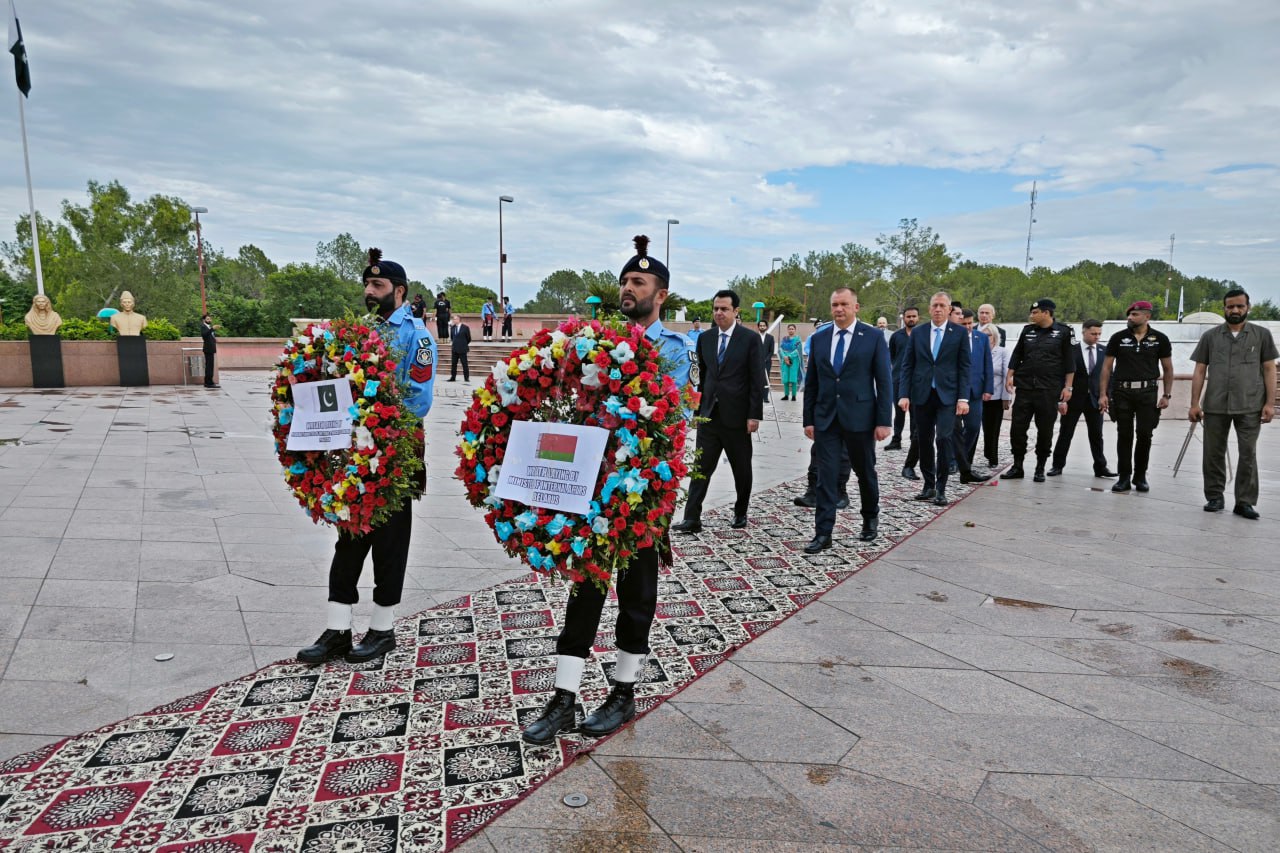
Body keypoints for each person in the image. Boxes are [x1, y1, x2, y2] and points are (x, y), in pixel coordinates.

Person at [521, 234, 693, 746]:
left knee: (637, 590)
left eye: (638, 282)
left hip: (644, 488)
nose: (628, 288)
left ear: (660, 294)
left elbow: (673, 416)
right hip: (593, 484)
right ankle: (564, 697)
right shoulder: (596, 343)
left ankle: (623, 691)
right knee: (586, 585)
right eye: (623, 280)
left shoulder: (675, 350)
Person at [297, 248, 437, 665]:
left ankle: (382, 628)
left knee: (390, 543)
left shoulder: (417, 336)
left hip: (396, 450)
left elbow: (419, 398)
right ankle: (337, 628)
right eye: (366, 285)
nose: (369, 291)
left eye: (377, 285)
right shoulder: (355, 333)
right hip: (354, 450)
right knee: (349, 537)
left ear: (400, 291)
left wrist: (375, 420)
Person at [803, 288, 893, 551]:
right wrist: (809, 419)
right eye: (834, 305)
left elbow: (884, 381)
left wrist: (883, 421)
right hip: (827, 419)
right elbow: (812, 382)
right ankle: (823, 533)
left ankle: (869, 518)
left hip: (861, 419)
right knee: (825, 476)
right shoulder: (820, 339)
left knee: (865, 472)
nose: (838, 309)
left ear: (856, 307)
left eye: (844, 304)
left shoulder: (873, 337)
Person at [672, 289, 764, 533]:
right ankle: (692, 518)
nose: (719, 313)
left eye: (724, 309)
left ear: (736, 311)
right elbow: (702, 376)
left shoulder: (750, 339)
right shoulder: (706, 338)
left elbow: (756, 380)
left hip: (738, 417)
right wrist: (696, 409)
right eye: (715, 309)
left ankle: (740, 511)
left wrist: (754, 414)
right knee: (701, 469)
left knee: (741, 468)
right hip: (709, 415)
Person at [1189, 289, 1278, 520]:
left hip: (1250, 405)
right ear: (1224, 308)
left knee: (1248, 453)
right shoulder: (1211, 336)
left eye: (1239, 306)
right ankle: (1215, 497)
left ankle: (1245, 502)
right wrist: (1194, 404)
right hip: (1215, 404)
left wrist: (1270, 403)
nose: (1235, 310)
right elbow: (1200, 370)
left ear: (1248, 307)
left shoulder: (1261, 335)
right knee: (1213, 453)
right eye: (1230, 306)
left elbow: (1269, 369)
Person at [898, 291, 971, 506]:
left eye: (942, 305)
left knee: (944, 439)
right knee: (924, 440)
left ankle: (941, 488)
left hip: (947, 396)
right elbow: (907, 365)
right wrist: (903, 394)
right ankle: (928, 485)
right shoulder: (918, 333)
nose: (938, 309)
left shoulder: (959, 333)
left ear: (949, 309)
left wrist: (963, 398)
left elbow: (965, 367)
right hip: (922, 395)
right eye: (934, 305)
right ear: (929, 309)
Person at [1099, 301, 1173, 493]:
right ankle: (1124, 477)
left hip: (1147, 393)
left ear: (1147, 316)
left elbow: (1167, 368)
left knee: (1145, 435)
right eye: (1129, 315)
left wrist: (1166, 394)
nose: (1130, 318)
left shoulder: (1160, 339)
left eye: (1135, 315)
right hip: (1122, 392)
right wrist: (1103, 394)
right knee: (1124, 435)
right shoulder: (1118, 338)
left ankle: (1140, 477)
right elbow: (1107, 368)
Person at [1004, 298, 1075, 482]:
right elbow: (1017, 354)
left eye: (1035, 312)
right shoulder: (1028, 331)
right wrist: (1009, 375)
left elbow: (1070, 362)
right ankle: (1017, 466)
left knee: (1045, 430)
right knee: (1017, 429)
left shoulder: (1064, 332)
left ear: (1046, 313)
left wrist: (1068, 387)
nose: (1031, 315)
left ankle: (1040, 467)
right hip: (1026, 387)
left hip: (1048, 389)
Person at [1048, 319, 1116, 478]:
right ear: (1083, 331)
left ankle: (1101, 467)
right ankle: (1057, 466)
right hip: (1073, 399)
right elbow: (1061, 376)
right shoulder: (1072, 350)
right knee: (1066, 432)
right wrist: (1061, 400)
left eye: (1099, 333)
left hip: (1095, 399)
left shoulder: (1104, 351)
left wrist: (1106, 396)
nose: (1096, 336)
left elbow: (1109, 376)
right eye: (1093, 333)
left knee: (1097, 435)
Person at [954, 309, 993, 476]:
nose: (968, 327)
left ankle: (962, 458)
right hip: (955, 392)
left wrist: (988, 389)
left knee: (973, 427)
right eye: (964, 324)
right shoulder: (951, 339)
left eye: (970, 323)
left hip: (976, 391)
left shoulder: (981, 338)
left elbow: (987, 364)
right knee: (952, 430)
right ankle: (954, 461)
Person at [980, 322, 1012, 469]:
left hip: (996, 396)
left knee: (993, 430)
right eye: (983, 335)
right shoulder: (977, 351)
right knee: (977, 428)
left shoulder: (1003, 352)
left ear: (995, 336)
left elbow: (1007, 375)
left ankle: (992, 457)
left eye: (989, 335)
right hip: (978, 396)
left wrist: (1007, 397)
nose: (986, 338)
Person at [886, 307, 918, 451]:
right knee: (899, 411)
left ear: (918, 317)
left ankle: (914, 440)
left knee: (915, 412)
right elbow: (892, 356)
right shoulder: (896, 336)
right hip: (898, 378)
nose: (911, 319)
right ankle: (896, 439)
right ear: (903, 318)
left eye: (914, 316)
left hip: (917, 380)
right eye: (908, 316)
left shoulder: (922, 335)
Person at [779, 323, 803, 400]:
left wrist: (789, 356)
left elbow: (797, 350)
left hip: (794, 360)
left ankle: (793, 396)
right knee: (785, 378)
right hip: (785, 360)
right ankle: (786, 395)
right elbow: (780, 349)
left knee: (793, 378)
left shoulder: (797, 339)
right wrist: (784, 357)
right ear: (787, 330)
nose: (791, 330)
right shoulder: (784, 339)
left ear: (795, 330)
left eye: (792, 329)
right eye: (789, 329)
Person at [447, 312, 471, 382]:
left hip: (463, 349)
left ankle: (466, 378)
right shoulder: (452, 328)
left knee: (464, 364)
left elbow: (468, 338)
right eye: (453, 319)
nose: (454, 320)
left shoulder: (465, 328)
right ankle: (453, 377)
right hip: (454, 349)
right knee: (453, 364)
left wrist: (463, 344)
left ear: (459, 320)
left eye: (455, 319)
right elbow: (452, 337)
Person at [199, 313, 220, 389]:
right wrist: (212, 329)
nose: (209, 320)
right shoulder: (203, 326)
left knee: (210, 366)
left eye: (210, 319)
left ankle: (209, 382)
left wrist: (214, 339)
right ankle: (208, 383)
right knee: (209, 366)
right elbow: (204, 335)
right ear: (204, 320)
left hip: (211, 348)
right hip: (208, 349)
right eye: (208, 319)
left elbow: (210, 336)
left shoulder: (208, 327)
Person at [757, 320, 776, 402]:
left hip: (766, 362)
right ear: (758, 327)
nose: (762, 327)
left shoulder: (770, 337)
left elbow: (771, 351)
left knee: (766, 379)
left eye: (763, 325)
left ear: (766, 327)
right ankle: (757, 396)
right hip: (756, 362)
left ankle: (765, 397)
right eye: (760, 325)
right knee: (756, 379)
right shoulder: (754, 336)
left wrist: (765, 359)